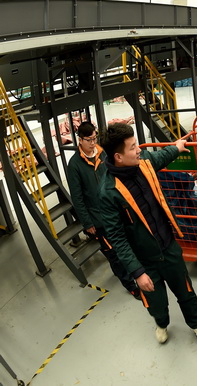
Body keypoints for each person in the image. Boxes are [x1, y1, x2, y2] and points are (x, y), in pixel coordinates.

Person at [98, 123, 197, 347]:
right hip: (145, 261)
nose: (139, 149)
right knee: (156, 301)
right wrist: (137, 272)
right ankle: (161, 323)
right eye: (133, 147)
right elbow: (117, 237)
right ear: (118, 157)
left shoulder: (144, 164)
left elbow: (160, 157)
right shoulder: (109, 192)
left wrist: (177, 147)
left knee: (185, 291)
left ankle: (196, 324)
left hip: (168, 247)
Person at [67, 121, 140, 300]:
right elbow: (77, 197)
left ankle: (139, 272)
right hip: (98, 218)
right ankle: (130, 285)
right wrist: (87, 222)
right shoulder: (75, 165)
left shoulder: (102, 154)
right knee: (113, 253)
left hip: (116, 209)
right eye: (89, 140)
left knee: (128, 242)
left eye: (94, 138)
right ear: (80, 140)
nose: (93, 143)